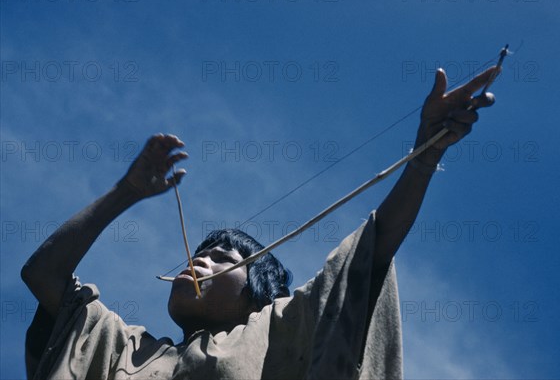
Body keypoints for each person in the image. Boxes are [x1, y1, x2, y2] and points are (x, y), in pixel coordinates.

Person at [21, 67, 498, 380]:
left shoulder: (280, 329)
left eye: (222, 258)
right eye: (197, 253)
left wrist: (425, 154)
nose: (199, 259)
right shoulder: (119, 346)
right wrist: (125, 193)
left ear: (258, 295)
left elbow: (369, 256)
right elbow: (43, 275)